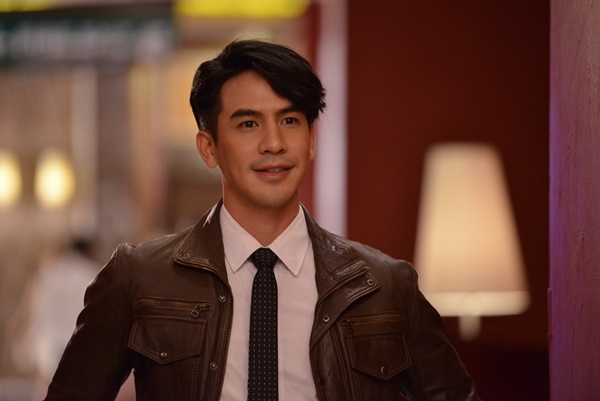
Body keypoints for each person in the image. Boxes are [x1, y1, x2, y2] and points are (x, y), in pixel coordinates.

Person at [44, 39, 481, 401]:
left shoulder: (386, 288)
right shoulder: (137, 278)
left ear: (311, 139)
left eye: (289, 120)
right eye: (249, 124)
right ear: (209, 148)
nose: (274, 143)